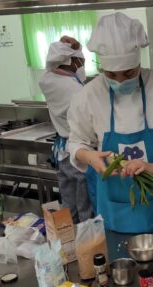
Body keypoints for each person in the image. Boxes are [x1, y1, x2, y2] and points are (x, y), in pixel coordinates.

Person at [67, 13, 153, 244]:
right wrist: (88, 156)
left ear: (139, 60)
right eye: (111, 75)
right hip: (117, 213)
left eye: (128, 73)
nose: (120, 81)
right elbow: (76, 142)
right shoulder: (88, 95)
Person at [39, 36, 95, 223]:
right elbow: (90, 120)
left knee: (68, 204)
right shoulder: (75, 89)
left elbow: (52, 67)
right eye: (80, 61)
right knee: (85, 206)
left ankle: (69, 242)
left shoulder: (47, 80)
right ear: (71, 61)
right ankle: (86, 243)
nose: (82, 66)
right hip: (78, 151)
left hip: (61, 150)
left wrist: (73, 46)